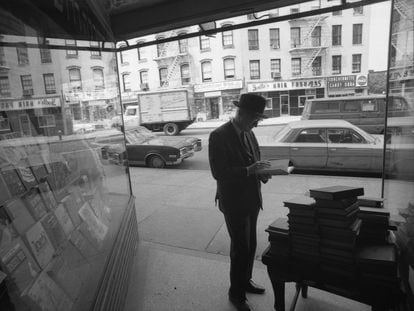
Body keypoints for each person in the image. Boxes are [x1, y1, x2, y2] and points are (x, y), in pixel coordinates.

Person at [208, 93, 272, 311]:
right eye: (255, 119)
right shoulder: (219, 136)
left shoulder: (249, 133)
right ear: (242, 114)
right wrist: (248, 171)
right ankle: (236, 294)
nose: (257, 124)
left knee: (251, 244)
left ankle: (245, 281)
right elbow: (219, 173)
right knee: (240, 248)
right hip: (234, 201)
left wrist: (262, 172)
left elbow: (255, 161)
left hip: (252, 198)